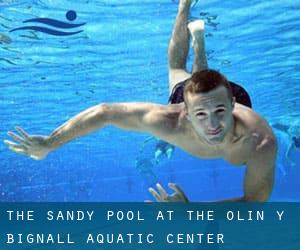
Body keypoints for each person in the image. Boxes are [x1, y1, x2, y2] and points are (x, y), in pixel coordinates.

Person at [4, 0, 277, 202]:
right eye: (201, 115)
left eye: (220, 111)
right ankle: (185, 6)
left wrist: (192, 211)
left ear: (232, 105)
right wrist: (50, 142)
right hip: (202, 96)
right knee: (177, 71)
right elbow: (105, 112)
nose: (214, 124)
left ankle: (199, 43)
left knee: (187, 75)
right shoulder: (170, 120)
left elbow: (255, 202)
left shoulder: (260, 140)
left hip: (224, 99)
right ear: (184, 110)